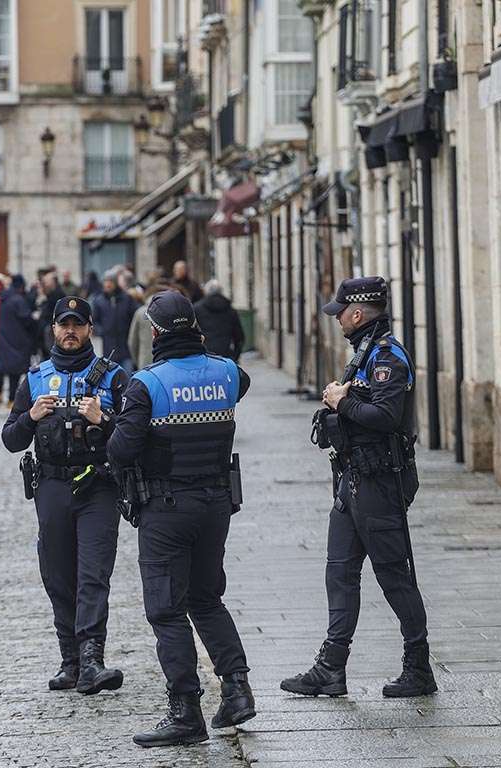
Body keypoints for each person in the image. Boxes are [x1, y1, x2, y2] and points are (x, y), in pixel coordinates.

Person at [107, 290, 255, 748]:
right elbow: (242, 383)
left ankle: (185, 710)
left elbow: (121, 449)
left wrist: (110, 420)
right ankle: (237, 689)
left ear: (153, 332)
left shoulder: (147, 383)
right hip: (217, 504)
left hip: (167, 508)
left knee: (167, 609)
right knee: (207, 599)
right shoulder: (227, 372)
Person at [281, 276, 435, 699]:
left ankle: (418, 667)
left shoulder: (387, 357)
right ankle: (331, 668)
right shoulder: (365, 353)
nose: (337, 320)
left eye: (340, 314)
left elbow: (385, 416)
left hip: (379, 482)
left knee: (393, 575)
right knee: (340, 571)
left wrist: (340, 401)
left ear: (357, 313)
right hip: (353, 480)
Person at [2, 296, 129, 695]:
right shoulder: (35, 379)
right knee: (58, 574)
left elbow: (133, 438)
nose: (70, 331)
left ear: (90, 328)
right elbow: (10, 439)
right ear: (53, 329)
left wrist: (103, 419)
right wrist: (30, 417)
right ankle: (70, 661)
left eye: (77, 324)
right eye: (64, 324)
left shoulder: (114, 378)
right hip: (52, 486)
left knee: (93, 573)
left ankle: (92, 660)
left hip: (98, 487)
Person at [0, 274, 36, 406]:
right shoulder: (18, 300)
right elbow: (27, 320)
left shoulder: (4, 299)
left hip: (6, 339)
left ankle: (10, 398)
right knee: (16, 373)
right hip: (18, 341)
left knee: (11, 371)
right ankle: (12, 399)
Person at [91, 269, 138, 374]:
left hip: (125, 348)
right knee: (111, 377)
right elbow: (94, 321)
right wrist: (101, 331)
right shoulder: (99, 301)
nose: (108, 284)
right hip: (108, 349)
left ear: (115, 283)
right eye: (105, 281)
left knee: (127, 376)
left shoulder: (127, 299)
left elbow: (134, 318)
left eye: (110, 281)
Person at [194, 279, 245, 361]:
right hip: (225, 354)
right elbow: (239, 337)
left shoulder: (197, 309)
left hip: (205, 354)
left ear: (206, 292)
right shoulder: (230, 310)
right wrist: (235, 357)